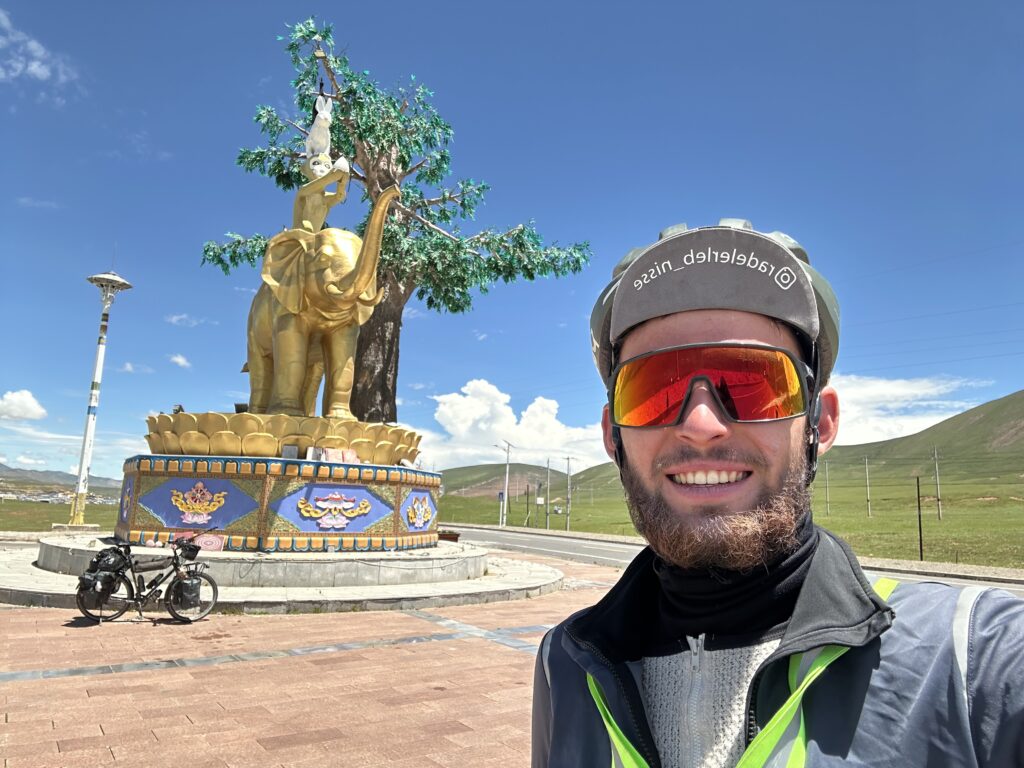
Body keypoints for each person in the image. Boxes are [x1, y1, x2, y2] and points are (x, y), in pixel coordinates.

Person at [531, 219, 1024, 767]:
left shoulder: (974, 659)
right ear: (612, 435)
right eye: (653, 388)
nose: (700, 424)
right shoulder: (565, 665)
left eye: (755, 382)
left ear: (821, 424)